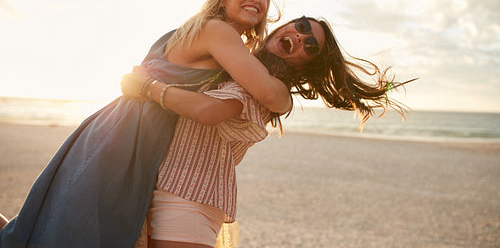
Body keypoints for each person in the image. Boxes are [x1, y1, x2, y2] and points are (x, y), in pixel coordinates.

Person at [0, 0, 292, 248]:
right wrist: (288, 96)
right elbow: (269, 94)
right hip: (127, 138)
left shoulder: (207, 33)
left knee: (57, 226)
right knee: (76, 231)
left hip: (122, 130)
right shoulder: (218, 31)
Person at [120, 16, 414, 248]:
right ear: (285, 26)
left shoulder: (269, 88)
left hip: (191, 198)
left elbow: (209, 111)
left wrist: (147, 88)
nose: (300, 37)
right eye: (301, 26)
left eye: (310, 46)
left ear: (308, 63)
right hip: (166, 189)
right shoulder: (238, 62)